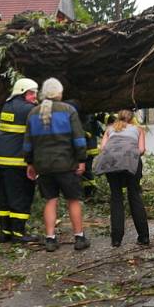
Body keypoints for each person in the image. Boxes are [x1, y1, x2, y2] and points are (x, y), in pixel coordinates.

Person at [24, 78, 90, 252]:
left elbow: (28, 143)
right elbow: (79, 138)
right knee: (73, 200)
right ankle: (79, 237)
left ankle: (50, 239)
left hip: (43, 166)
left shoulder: (33, 113)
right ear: (59, 93)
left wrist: (30, 163)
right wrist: (81, 159)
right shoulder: (69, 111)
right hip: (66, 165)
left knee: (50, 201)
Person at [0, 77, 39, 243]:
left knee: (4, 196)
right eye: (32, 93)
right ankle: (19, 234)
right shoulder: (29, 110)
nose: (35, 96)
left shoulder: (7, 105)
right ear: (22, 92)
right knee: (21, 195)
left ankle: (5, 232)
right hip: (16, 160)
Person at [93, 109, 150, 247]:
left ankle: (116, 239)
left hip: (111, 162)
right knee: (134, 195)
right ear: (132, 119)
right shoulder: (138, 129)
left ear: (118, 118)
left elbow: (102, 148)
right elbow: (141, 150)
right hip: (131, 162)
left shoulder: (109, 129)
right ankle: (143, 237)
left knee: (116, 197)